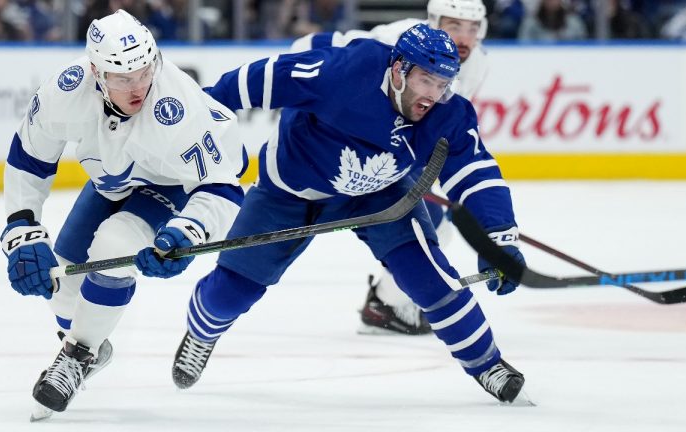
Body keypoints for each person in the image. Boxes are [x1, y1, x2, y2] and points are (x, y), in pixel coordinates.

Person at [171, 23, 527, 403]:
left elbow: (476, 171)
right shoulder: (343, 71)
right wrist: (203, 111)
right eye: (426, 80)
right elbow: (264, 77)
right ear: (398, 70)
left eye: (443, 83)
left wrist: (498, 238)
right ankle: (201, 334)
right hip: (292, 193)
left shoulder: (448, 112)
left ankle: (486, 363)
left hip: (381, 194)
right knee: (229, 293)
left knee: (431, 279)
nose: (434, 94)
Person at [0, 10, 245, 418]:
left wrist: (189, 232)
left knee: (114, 245)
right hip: (110, 181)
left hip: (172, 183)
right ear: (97, 73)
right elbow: (29, 159)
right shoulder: (67, 90)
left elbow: (222, 185)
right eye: (123, 77)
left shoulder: (177, 106)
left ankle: (78, 355)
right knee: (61, 280)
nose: (138, 87)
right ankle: (91, 342)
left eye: (144, 71)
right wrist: (23, 226)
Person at [291, 0, 494, 336]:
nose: (464, 37)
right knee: (427, 222)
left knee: (435, 224)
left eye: (472, 28)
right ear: (433, 22)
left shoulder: (479, 63)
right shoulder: (397, 39)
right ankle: (384, 304)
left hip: (397, 149)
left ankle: (385, 303)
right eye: (454, 26)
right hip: (346, 145)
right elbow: (308, 47)